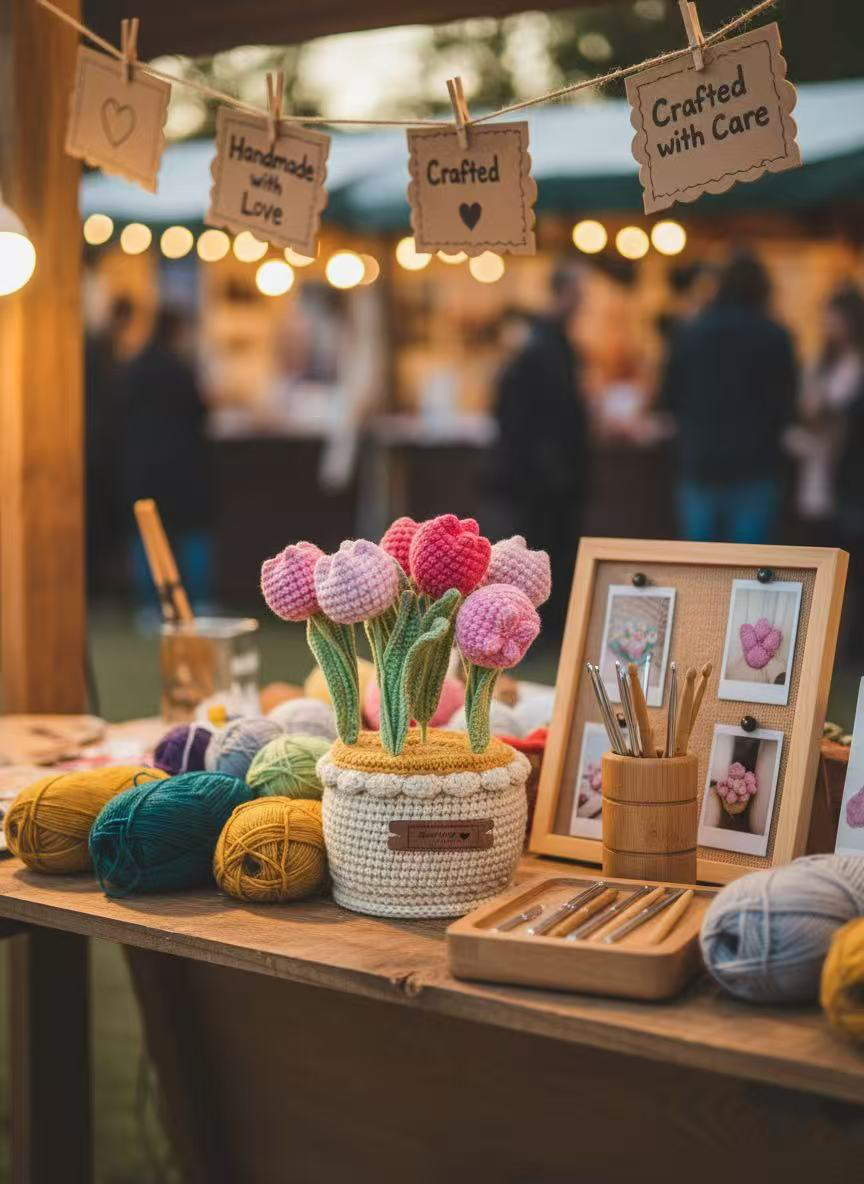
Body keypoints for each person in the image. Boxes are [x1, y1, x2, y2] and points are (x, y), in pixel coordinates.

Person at [661, 251, 797, 543]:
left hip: (700, 460)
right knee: (750, 568)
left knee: (701, 567)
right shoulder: (775, 336)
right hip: (755, 462)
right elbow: (786, 404)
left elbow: (669, 397)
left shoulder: (689, 333)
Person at [491, 263, 590, 637]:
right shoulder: (546, 347)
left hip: (541, 475)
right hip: (545, 478)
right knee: (546, 555)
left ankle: (543, 628)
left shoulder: (540, 344)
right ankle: (543, 630)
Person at [120, 307, 214, 610]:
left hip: (144, 467)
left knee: (148, 536)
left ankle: (152, 604)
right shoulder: (181, 369)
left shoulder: (134, 367)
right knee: (192, 536)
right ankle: (198, 602)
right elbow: (201, 414)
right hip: (185, 467)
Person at [819, 286, 864, 658]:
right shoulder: (827, 361)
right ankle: (840, 644)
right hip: (832, 472)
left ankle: (848, 646)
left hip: (851, 472)